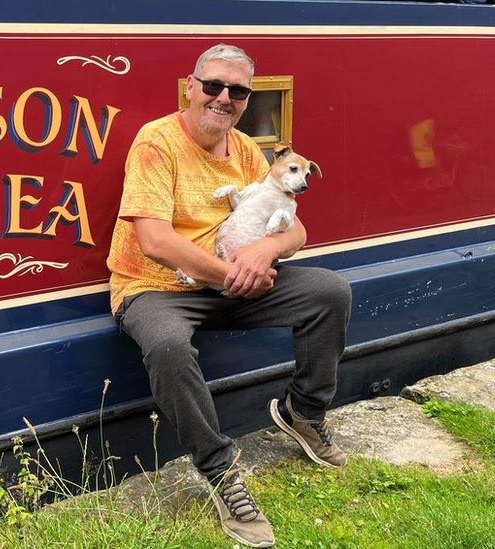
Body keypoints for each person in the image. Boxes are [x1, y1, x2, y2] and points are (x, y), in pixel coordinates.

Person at [107, 44, 352, 548]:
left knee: (330, 291)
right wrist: (230, 275)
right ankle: (220, 474)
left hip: (231, 282)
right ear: (190, 86)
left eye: (238, 91)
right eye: (214, 85)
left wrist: (266, 248)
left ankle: (303, 414)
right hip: (157, 286)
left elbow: (295, 230)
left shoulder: (244, 149)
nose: (224, 97)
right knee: (168, 346)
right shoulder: (155, 142)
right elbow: (154, 241)